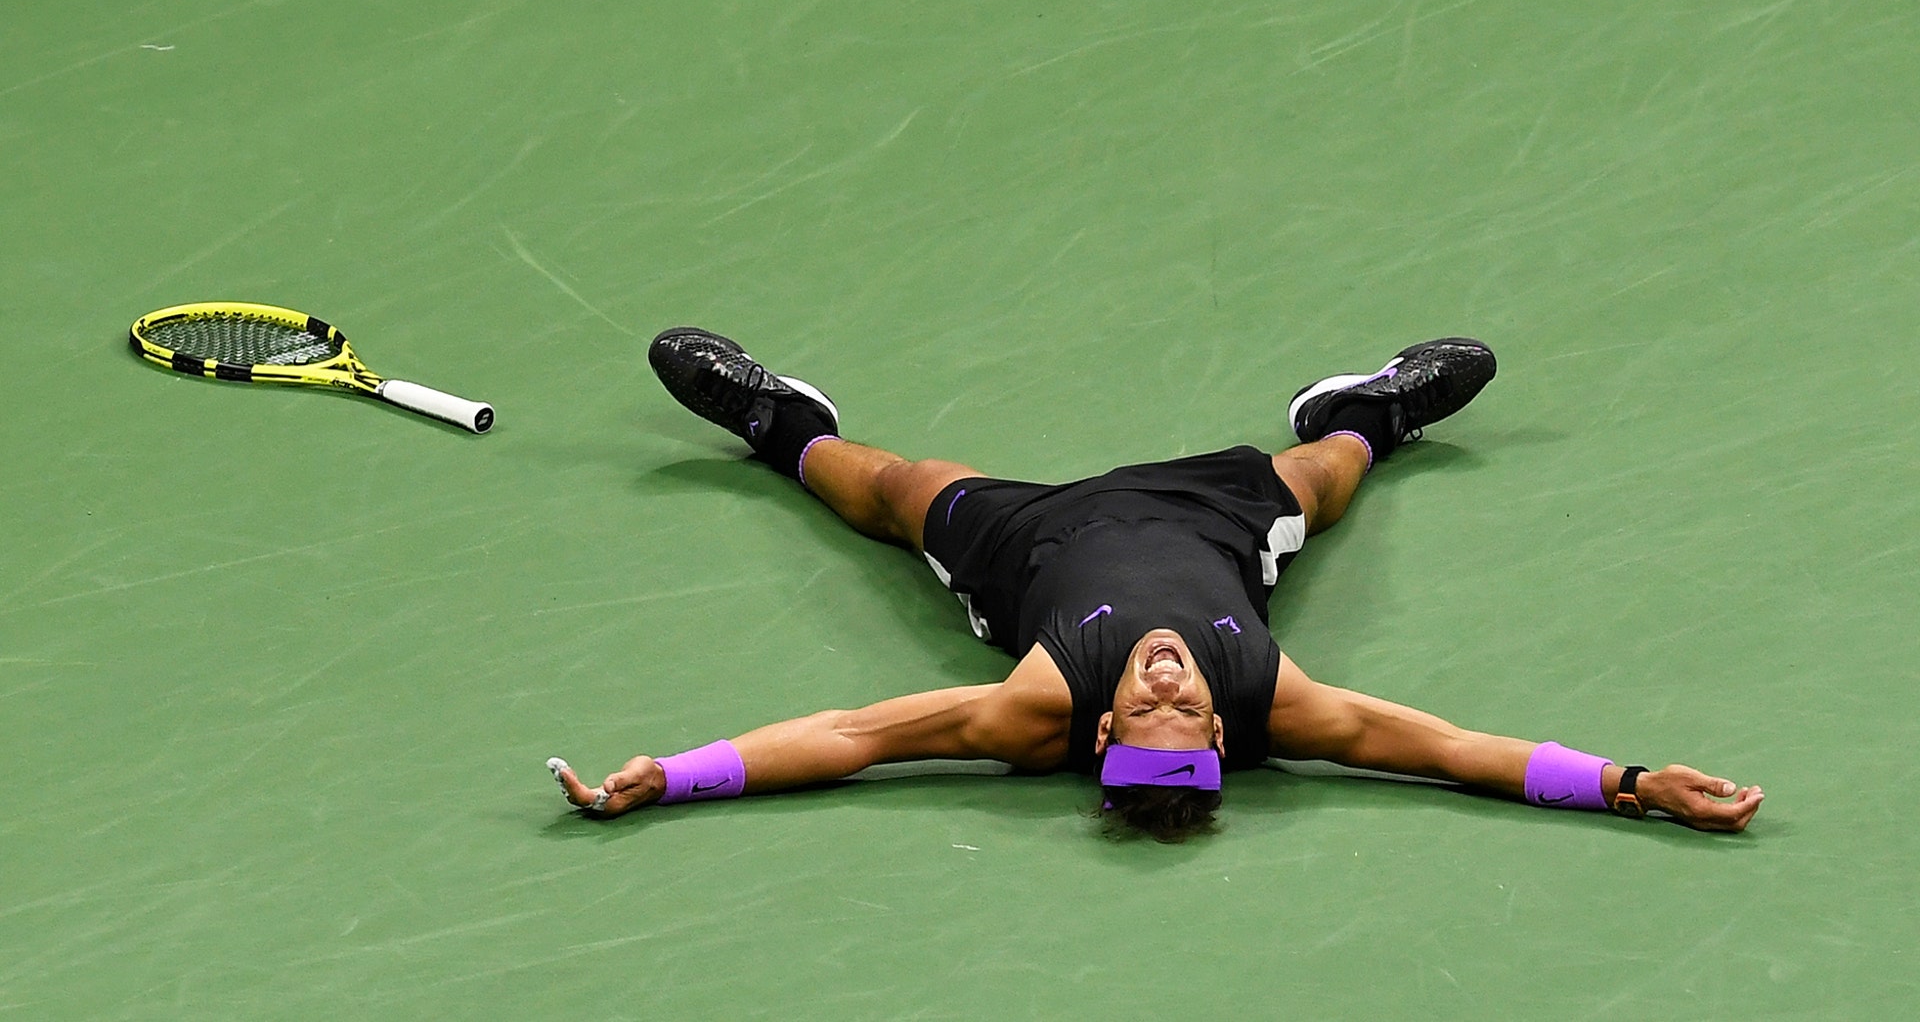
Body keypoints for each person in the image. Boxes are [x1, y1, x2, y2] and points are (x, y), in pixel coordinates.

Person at [547, 329, 1764, 841]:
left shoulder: (1033, 705)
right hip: (1211, 522)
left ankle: (776, 423)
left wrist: (680, 775)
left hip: (1032, 544)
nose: (1171, 684)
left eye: (1153, 709)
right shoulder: (1272, 697)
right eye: (1186, 710)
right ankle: (1369, 412)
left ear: (1106, 727)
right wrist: (1632, 783)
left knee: (898, 486)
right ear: (1222, 729)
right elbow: (1451, 751)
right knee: (1323, 480)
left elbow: (851, 736)